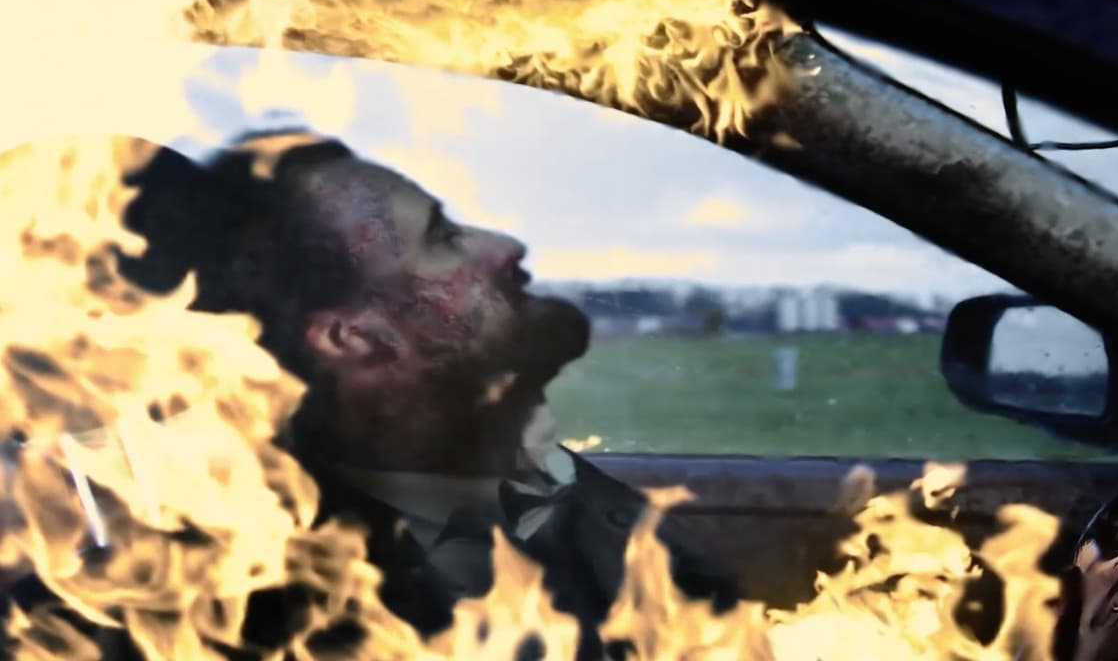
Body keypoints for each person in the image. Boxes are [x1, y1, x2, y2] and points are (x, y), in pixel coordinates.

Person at [106, 131, 740, 658]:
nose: (506, 246)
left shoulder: (542, 483)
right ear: (354, 337)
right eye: (443, 237)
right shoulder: (310, 603)